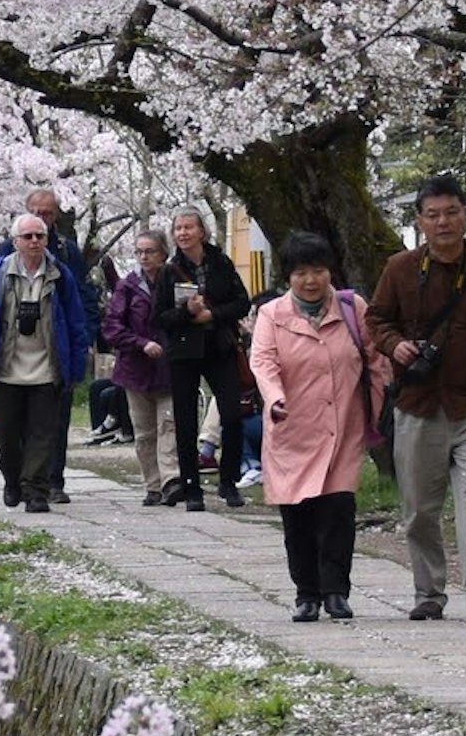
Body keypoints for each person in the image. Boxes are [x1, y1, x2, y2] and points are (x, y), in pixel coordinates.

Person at [370, 176, 466, 622]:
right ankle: (429, 591)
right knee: (420, 508)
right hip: (419, 404)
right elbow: (376, 318)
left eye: (451, 212)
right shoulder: (400, 268)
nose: (443, 222)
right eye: (433, 214)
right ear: (419, 221)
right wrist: (394, 344)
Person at [249, 233, 373, 622]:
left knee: (338, 509)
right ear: (288, 276)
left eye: (318, 271)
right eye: (301, 272)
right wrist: (274, 397)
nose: (310, 280)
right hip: (292, 427)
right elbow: (263, 362)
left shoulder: (352, 309)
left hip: (343, 426)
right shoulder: (272, 315)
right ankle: (306, 593)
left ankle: (336, 591)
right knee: (298, 516)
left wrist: (382, 410)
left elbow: (376, 362)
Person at [0, 212, 94, 514]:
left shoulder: (61, 277)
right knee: (7, 433)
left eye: (40, 236)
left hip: (47, 367)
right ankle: (13, 478)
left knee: (42, 433)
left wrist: (75, 368)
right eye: (28, 236)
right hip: (7, 367)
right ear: (15, 242)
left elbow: (76, 325)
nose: (34, 241)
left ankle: (36, 491)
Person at [155, 208, 252, 510]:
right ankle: (191, 488)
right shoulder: (168, 271)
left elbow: (242, 302)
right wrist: (187, 313)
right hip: (183, 352)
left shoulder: (221, 263)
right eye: (178, 229)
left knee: (232, 414)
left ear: (202, 232)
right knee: (185, 420)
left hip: (218, 348)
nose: (183, 233)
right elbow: (159, 317)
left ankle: (228, 481)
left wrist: (213, 314)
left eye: (188, 227)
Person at [100, 230, 172, 492]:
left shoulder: (175, 281)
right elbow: (112, 327)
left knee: (170, 425)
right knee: (144, 431)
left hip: (169, 368)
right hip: (136, 370)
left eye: (150, 251)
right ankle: (153, 484)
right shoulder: (128, 286)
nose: (144, 257)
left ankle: (171, 479)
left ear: (163, 253)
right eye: (139, 251)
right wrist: (141, 344)